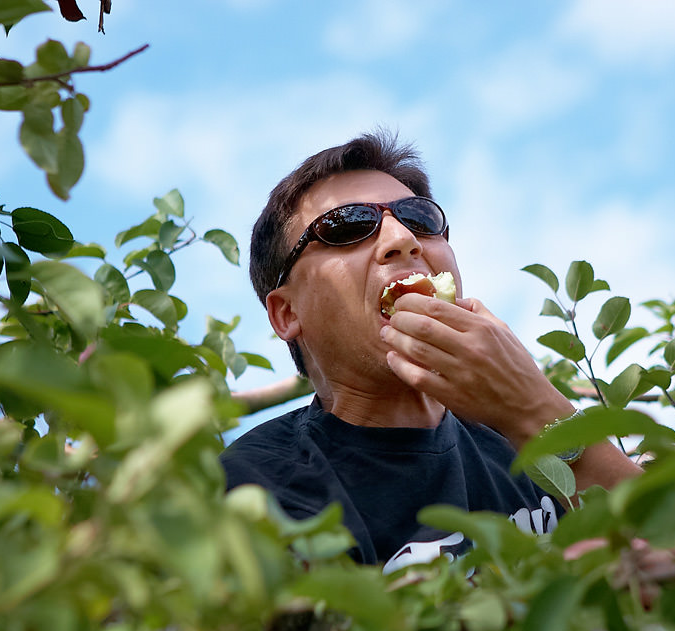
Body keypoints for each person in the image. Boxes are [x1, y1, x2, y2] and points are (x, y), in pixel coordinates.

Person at [221, 130, 642, 573]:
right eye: (348, 226)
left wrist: (536, 411)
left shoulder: (523, 442)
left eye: (420, 219)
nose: (403, 238)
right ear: (287, 313)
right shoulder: (257, 487)